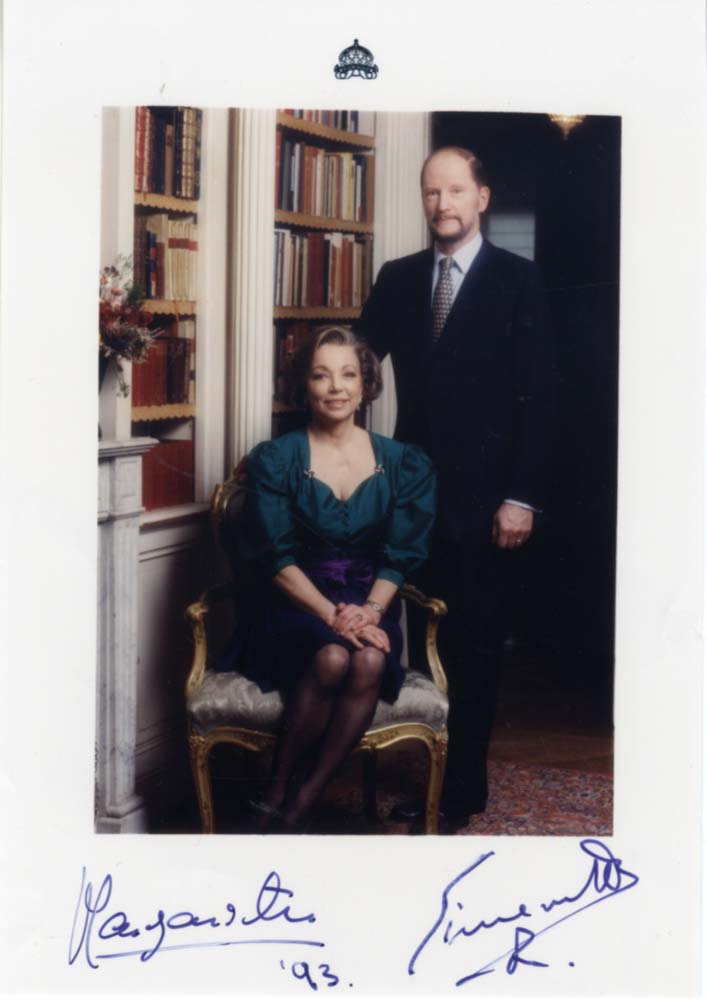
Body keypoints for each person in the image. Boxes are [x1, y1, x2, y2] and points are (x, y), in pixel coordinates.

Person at [355, 145, 556, 830]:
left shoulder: (518, 280)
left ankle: (461, 791)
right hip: (411, 496)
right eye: (431, 192)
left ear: (481, 198)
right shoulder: (398, 277)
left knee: (472, 647)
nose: (442, 204)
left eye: (455, 191)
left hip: (489, 501)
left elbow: (541, 397)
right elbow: (354, 362)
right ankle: (434, 774)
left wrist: (521, 497)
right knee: (423, 643)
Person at [223, 326, 437, 830]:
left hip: (370, 605)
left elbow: (402, 554)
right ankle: (277, 787)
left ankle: (303, 797)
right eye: (322, 375)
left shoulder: (405, 463)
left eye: (348, 374)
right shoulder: (276, 458)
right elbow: (275, 558)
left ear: (366, 384)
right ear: (305, 385)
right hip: (294, 604)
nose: (336, 387)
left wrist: (371, 611)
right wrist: (331, 615)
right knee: (335, 654)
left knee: (367, 659)